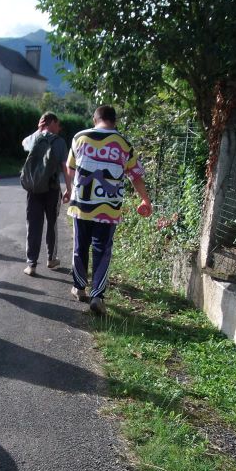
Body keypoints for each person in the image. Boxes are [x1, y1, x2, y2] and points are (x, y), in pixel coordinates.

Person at [64, 105, 152, 315]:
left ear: (95, 119)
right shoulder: (124, 143)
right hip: (109, 209)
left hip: (82, 205)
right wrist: (145, 200)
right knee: (102, 251)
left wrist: (69, 189)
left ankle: (79, 287)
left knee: (80, 246)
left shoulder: (79, 137)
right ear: (114, 121)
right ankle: (97, 296)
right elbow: (136, 176)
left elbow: (70, 167)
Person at [21, 111, 69, 276]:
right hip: (52, 189)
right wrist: (68, 188)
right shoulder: (60, 142)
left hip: (33, 189)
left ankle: (31, 264)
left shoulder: (34, 138)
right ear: (51, 123)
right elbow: (65, 167)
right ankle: (51, 258)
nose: (60, 127)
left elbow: (23, 143)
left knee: (33, 225)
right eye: (58, 124)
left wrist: (40, 129)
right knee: (52, 224)